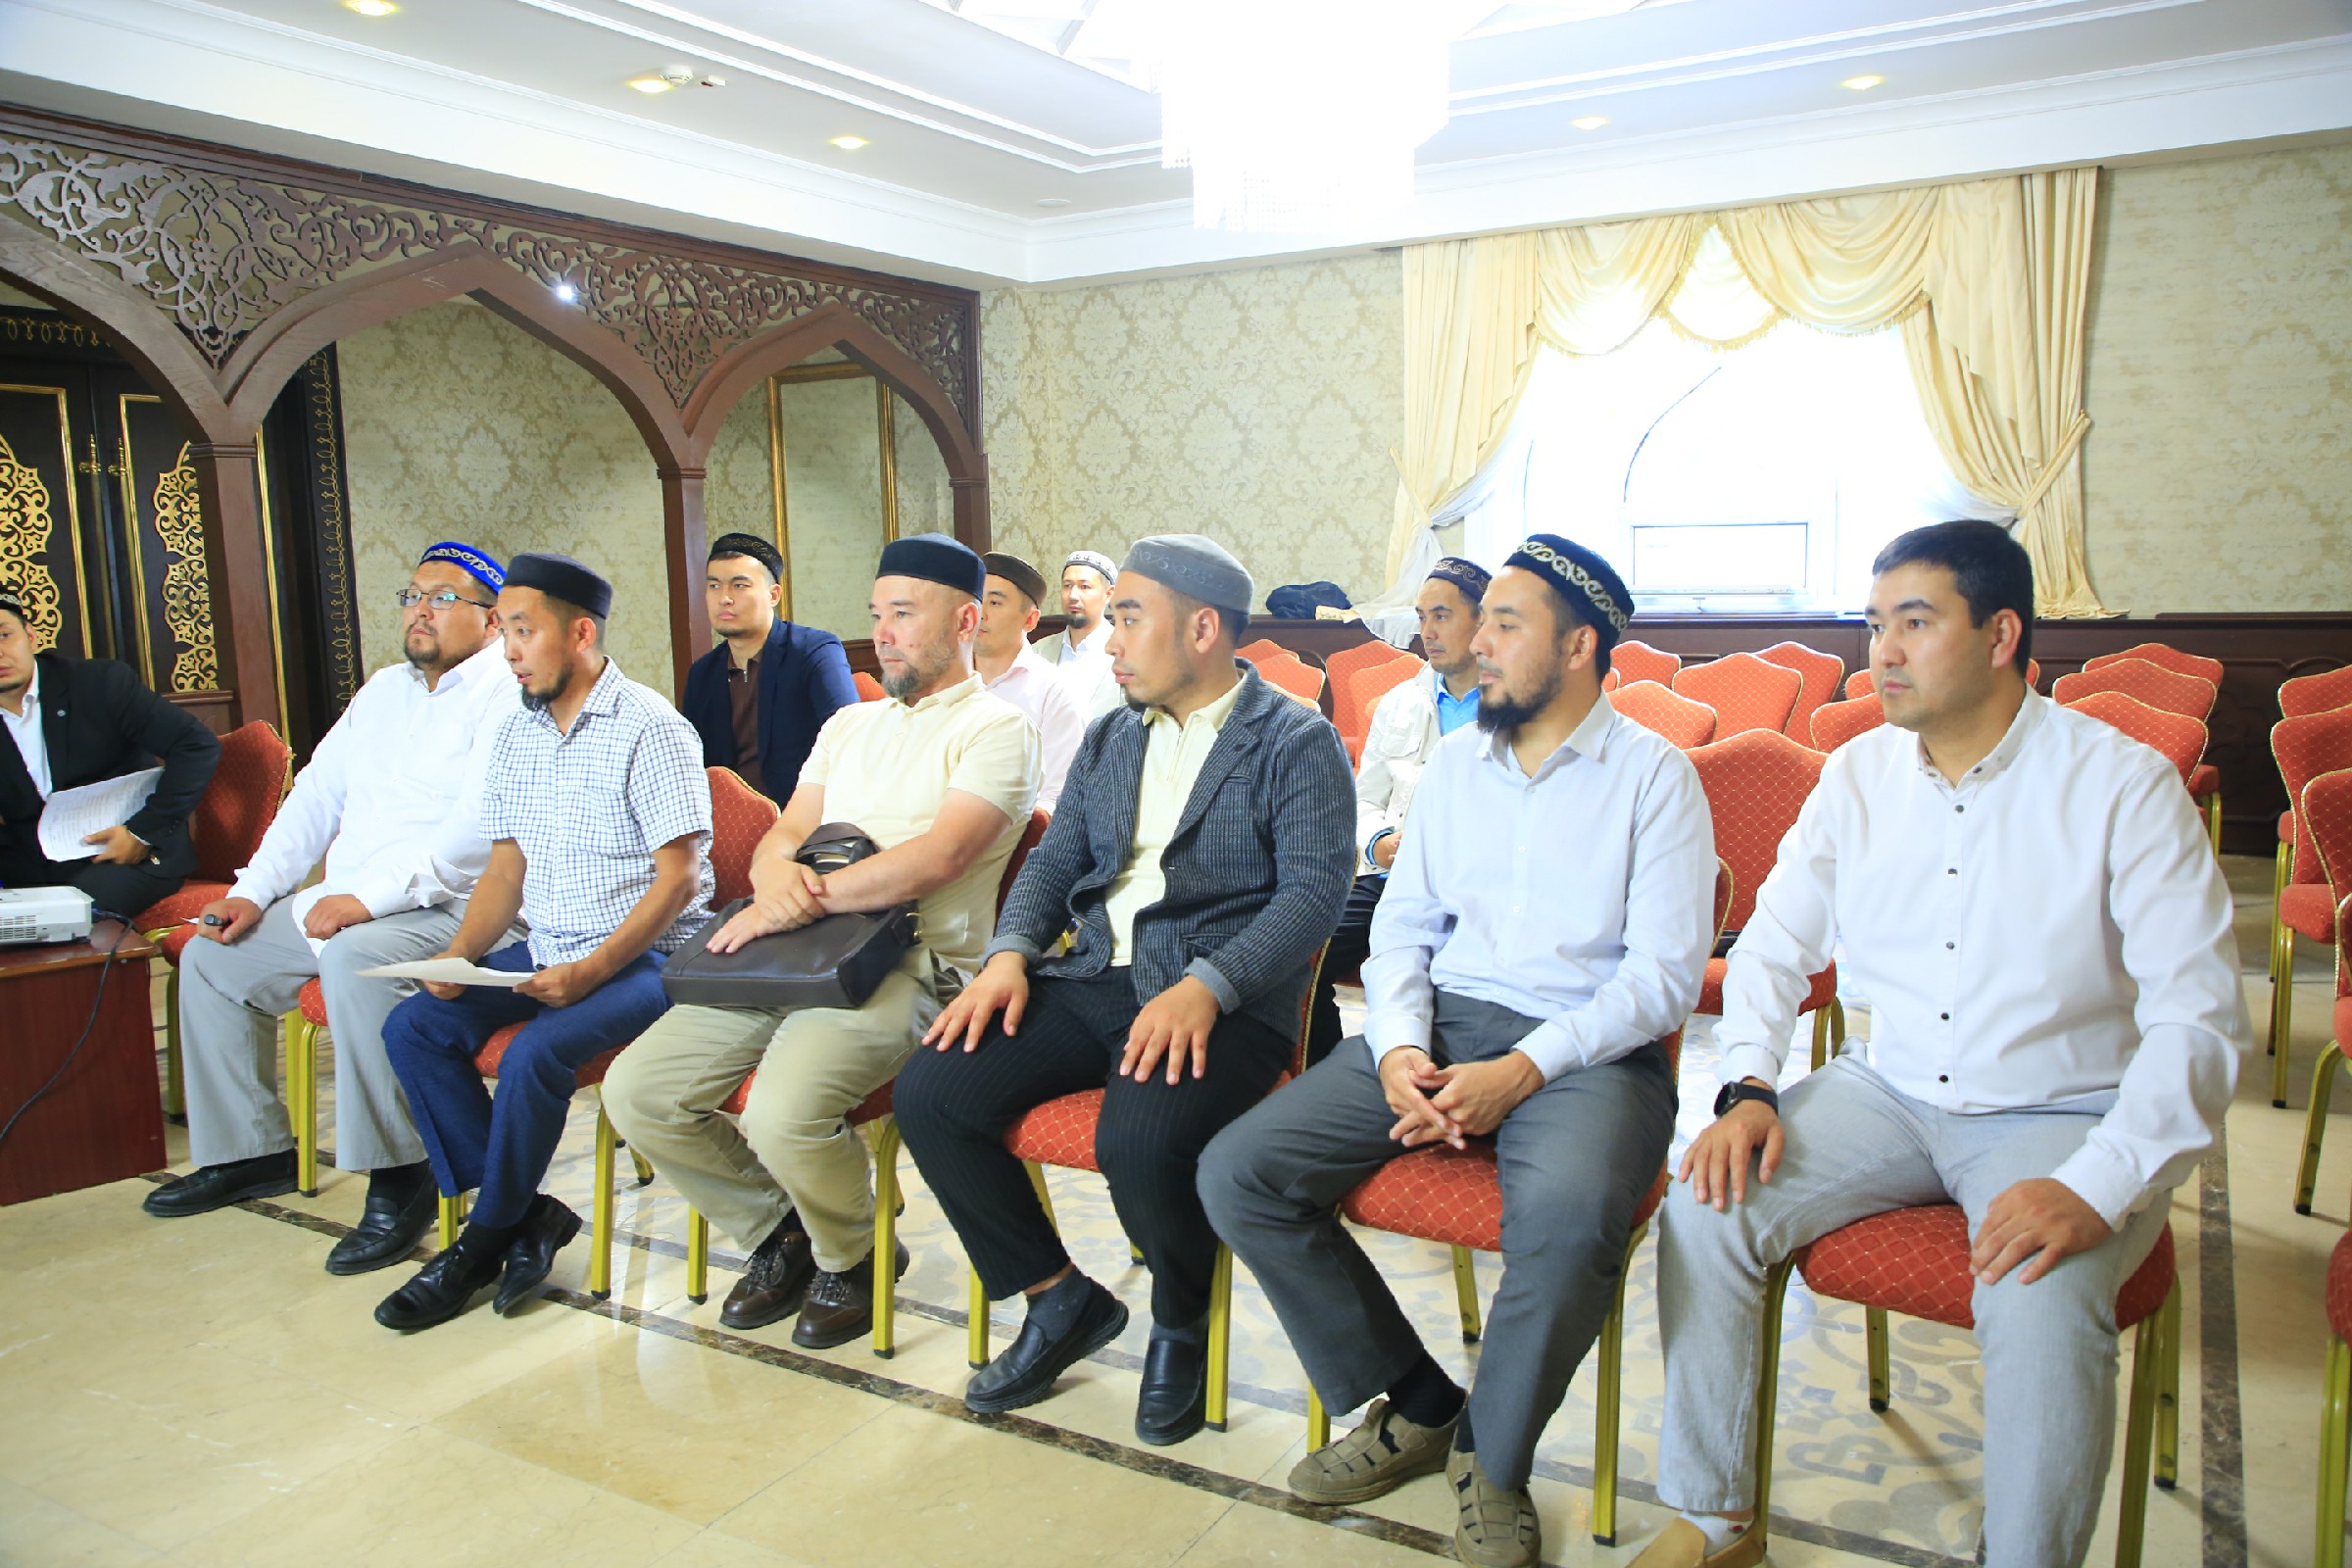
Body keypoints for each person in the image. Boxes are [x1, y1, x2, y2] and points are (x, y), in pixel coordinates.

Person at [1634, 521, 2247, 1568]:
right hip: (1893, 1089)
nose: (1883, 652)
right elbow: (1774, 944)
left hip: (2065, 1108)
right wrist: (1748, 1088)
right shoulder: (1858, 774)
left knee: (2040, 1290)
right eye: (1876, 625)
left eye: (1914, 624)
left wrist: (2098, 1183)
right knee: (1708, 1206)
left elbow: (2201, 1020)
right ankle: (1717, 1519)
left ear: (2001, 634)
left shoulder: (2121, 785)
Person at [1200, 536, 1714, 1568]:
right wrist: (1397, 1046)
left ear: (1578, 646)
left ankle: (1493, 1456)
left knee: (1567, 1221)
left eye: (1506, 625)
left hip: (1589, 1053)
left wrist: (1525, 1070)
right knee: (1240, 1172)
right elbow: (1403, 929)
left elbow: (1662, 980)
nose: (1478, 643)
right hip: (1440, 1027)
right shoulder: (1454, 767)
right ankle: (1419, 1403)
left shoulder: (1655, 779)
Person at [895, 534, 1354, 1447]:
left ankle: (1181, 1322)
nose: (1108, 639)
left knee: (1136, 1140)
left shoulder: (1295, 740)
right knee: (933, 1089)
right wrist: (1010, 955)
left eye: (1130, 619)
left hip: (1223, 998)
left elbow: (1312, 897)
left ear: (1203, 629)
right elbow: (1054, 861)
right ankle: (1057, 1299)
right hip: (1095, 975)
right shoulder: (1114, 734)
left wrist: (1210, 984)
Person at [605, 534, 1038, 1348]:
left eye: (904, 614)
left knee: (781, 1113)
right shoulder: (849, 724)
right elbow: (788, 829)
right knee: (638, 1091)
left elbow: (939, 858)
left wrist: (792, 905)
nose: (884, 634)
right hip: (793, 955)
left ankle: (855, 1255)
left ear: (965, 621)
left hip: (911, 966)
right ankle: (781, 1233)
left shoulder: (997, 728)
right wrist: (773, 877)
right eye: (877, 615)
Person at [144, 545, 524, 1273]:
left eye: (444, 597)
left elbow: (478, 835)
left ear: (492, 620)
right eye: (413, 595)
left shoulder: (508, 695)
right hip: (350, 902)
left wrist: (367, 900)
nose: (420, 610)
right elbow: (314, 799)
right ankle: (249, 1152)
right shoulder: (382, 691)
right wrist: (253, 891)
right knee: (214, 954)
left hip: (464, 907)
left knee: (356, 960)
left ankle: (401, 1173)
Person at [372, 553, 714, 1332]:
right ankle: (525, 1216)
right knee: (415, 1026)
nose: (510, 653)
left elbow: (680, 881)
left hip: (650, 957)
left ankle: (481, 1241)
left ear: (581, 634)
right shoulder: (517, 731)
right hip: (547, 945)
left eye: (524, 632)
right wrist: (460, 956)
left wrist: (591, 970)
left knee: (534, 1056)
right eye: (505, 634)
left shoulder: (652, 727)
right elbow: (506, 868)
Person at [1305, 557, 1490, 1063]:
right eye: (1421, 617)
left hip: (1478, 885)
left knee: (1459, 978)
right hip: (1391, 875)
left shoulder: (1518, 706)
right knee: (1304, 949)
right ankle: (1320, 1071)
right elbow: (1364, 798)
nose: (1426, 631)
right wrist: (1379, 843)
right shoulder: (1400, 702)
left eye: (1442, 616)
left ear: (1482, 619)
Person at [0, 585, 220, 920]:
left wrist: (142, 831)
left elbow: (196, 745)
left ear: (30, 635)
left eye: (4, 635)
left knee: (75, 912)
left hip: (126, 852)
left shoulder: (98, 684)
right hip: (32, 862)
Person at [679, 531, 858, 801]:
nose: (724, 598)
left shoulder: (813, 652)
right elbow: (694, 765)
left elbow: (849, 742)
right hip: (726, 818)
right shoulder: (702, 674)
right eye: (714, 586)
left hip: (806, 813)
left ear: (773, 595)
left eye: (739, 586)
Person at [974, 551, 1083, 810]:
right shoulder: (946, 682)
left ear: (1030, 619)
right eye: (976, 600)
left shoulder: (1055, 692)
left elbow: (1059, 796)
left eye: (995, 603)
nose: (980, 614)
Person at [1033, 549, 1118, 706]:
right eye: (1067, 586)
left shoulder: (1126, 653)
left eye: (1084, 587)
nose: (1072, 596)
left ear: (1108, 594)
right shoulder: (1038, 651)